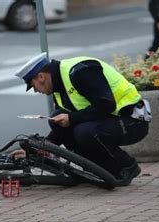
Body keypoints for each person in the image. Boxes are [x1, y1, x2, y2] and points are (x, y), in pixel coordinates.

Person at [13, 53, 151, 186]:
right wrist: (38, 150)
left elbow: (107, 104)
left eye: (33, 86)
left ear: (41, 77)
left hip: (132, 121)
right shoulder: (58, 85)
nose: (36, 91)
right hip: (110, 120)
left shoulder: (80, 72)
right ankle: (95, 169)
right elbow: (61, 129)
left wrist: (72, 118)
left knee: (84, 132)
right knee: (58, 119)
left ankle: (126, 166)